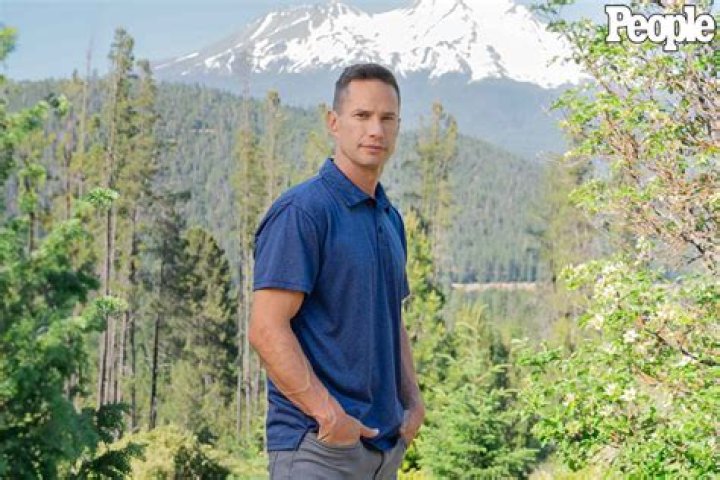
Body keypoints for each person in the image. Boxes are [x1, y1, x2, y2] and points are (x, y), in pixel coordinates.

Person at [249, 63, 425, 480]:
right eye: (362, 116)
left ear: (398, 127)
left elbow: (391, 318)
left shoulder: (389, 218)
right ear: (334, 122)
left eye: (387, 118)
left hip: (383, 451)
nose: (375, 130)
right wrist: (329, 415)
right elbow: (266, 329)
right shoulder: (303, 212)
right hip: (318, 450)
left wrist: (413, 402)